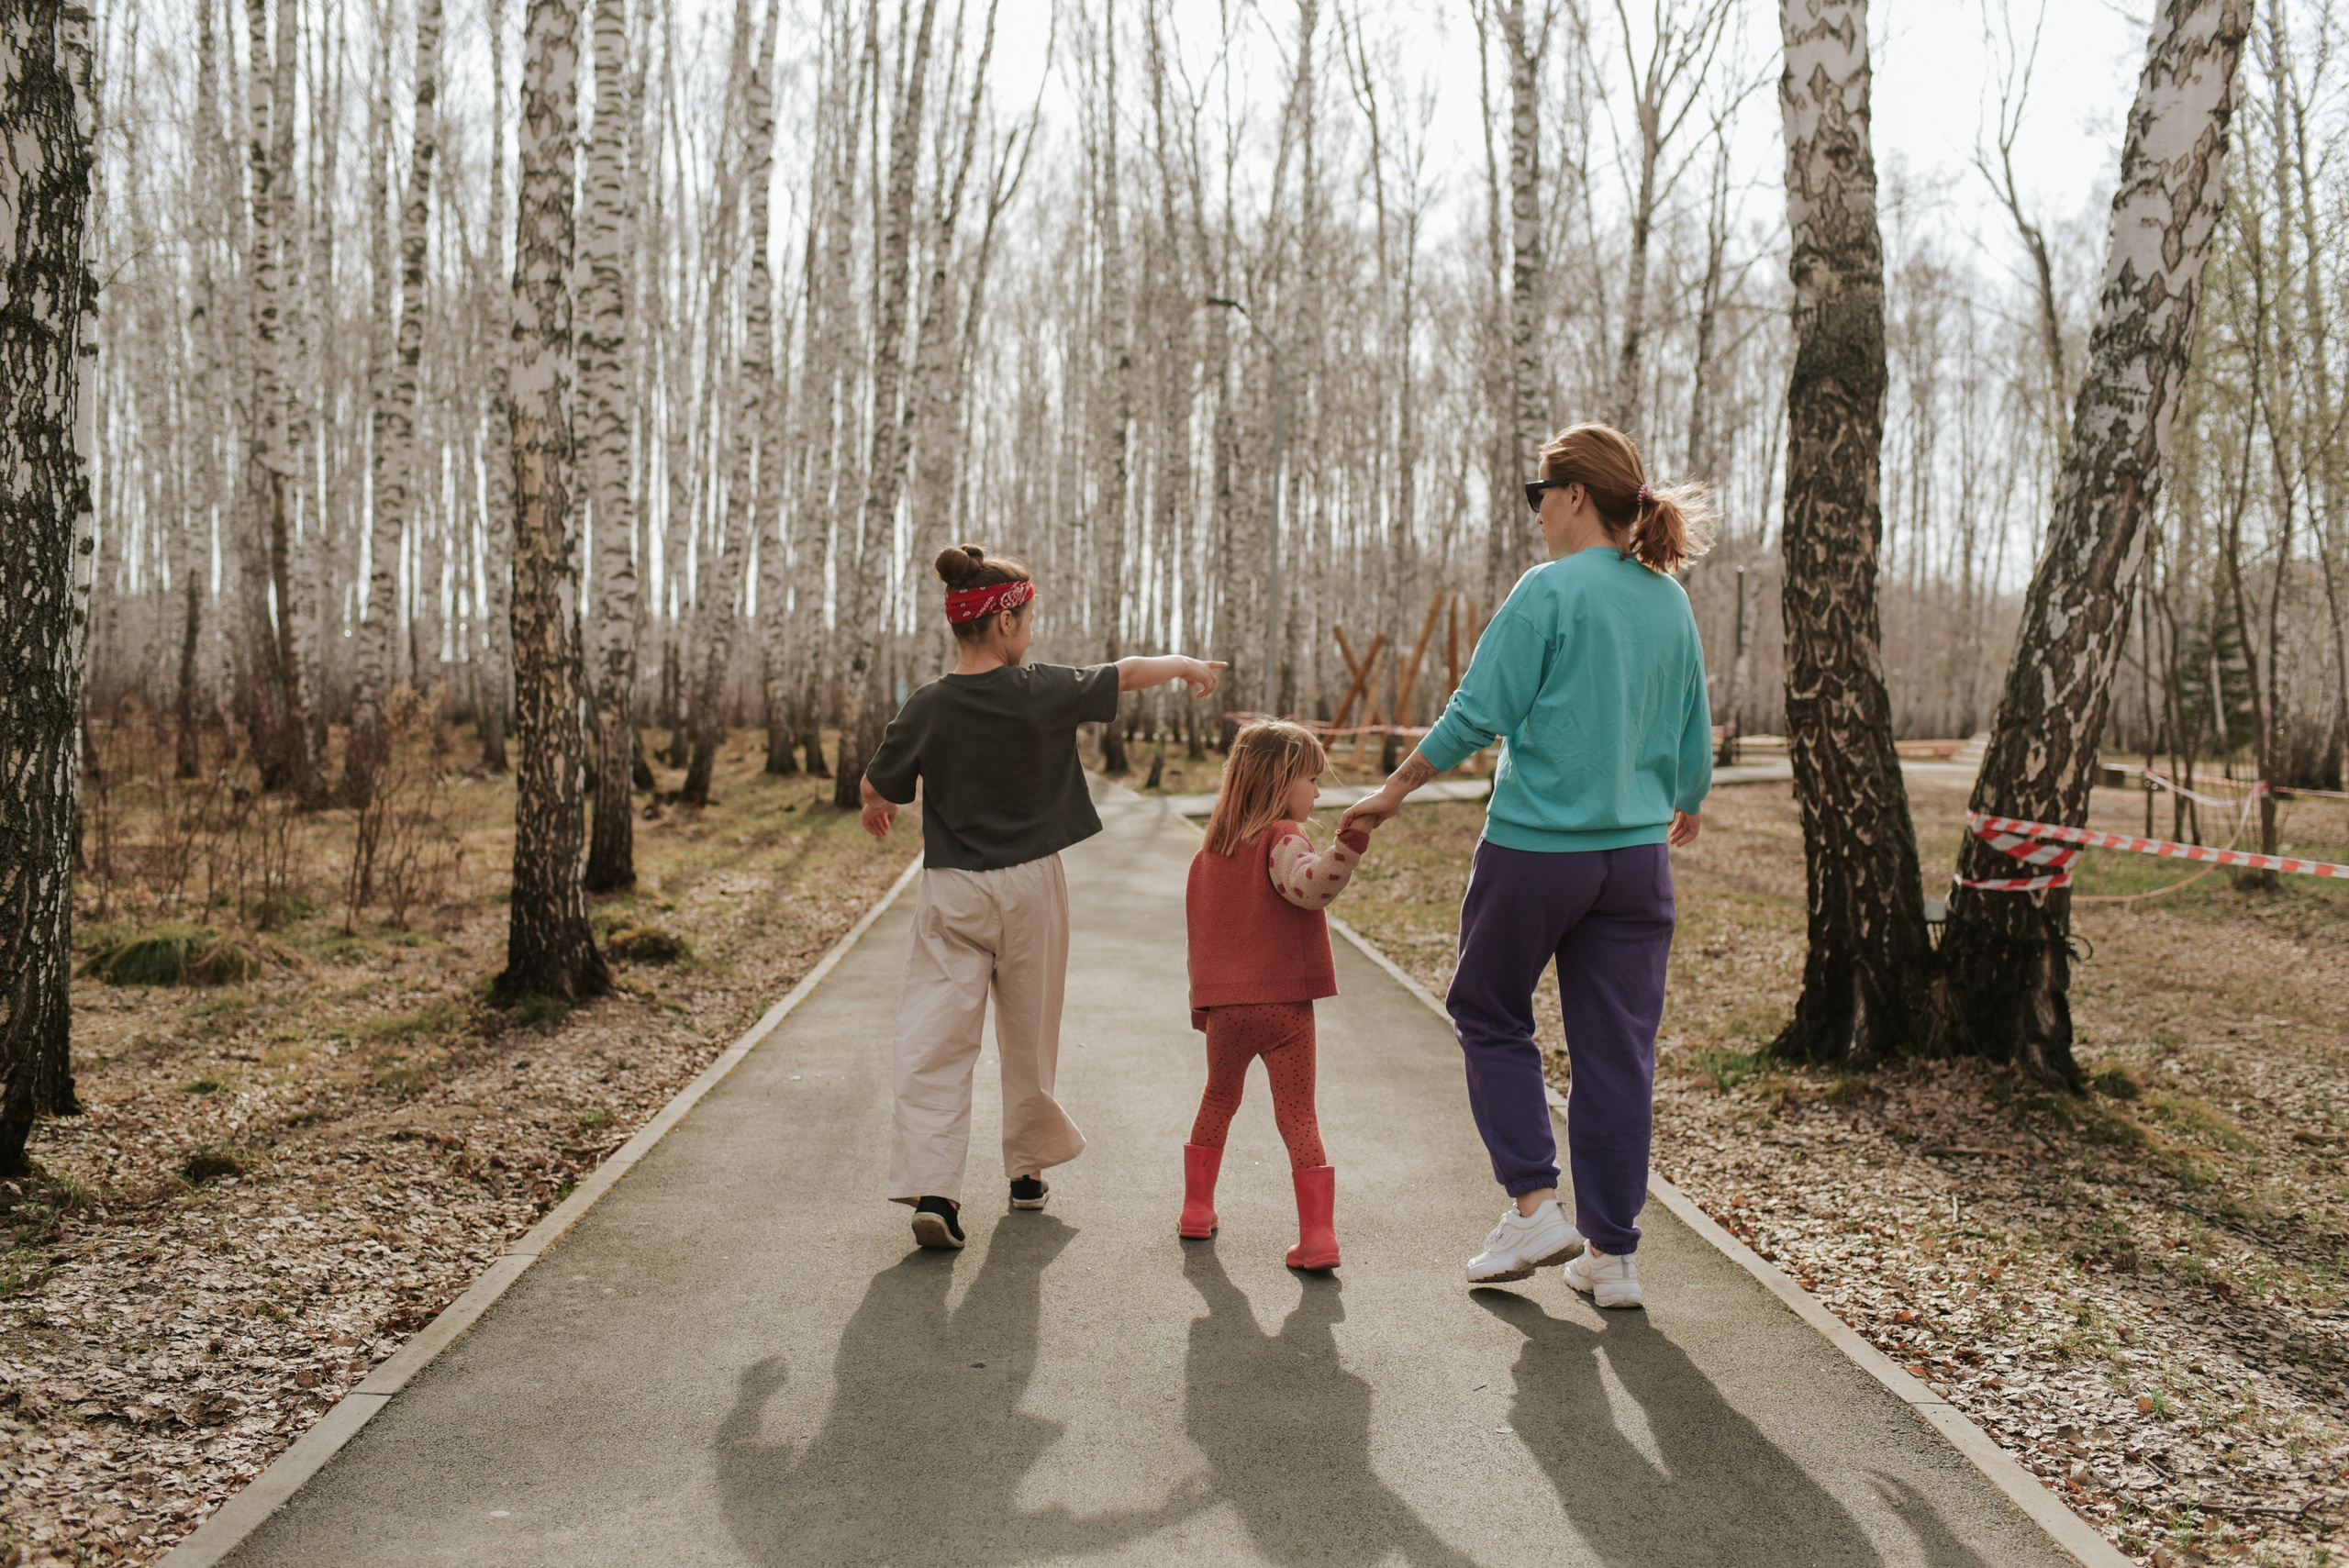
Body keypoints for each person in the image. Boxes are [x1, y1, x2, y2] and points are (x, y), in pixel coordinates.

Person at [1341, 423, 1713, 1309]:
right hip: (1635, 861)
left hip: (1538, 849)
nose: (1535, 508)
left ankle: (1535, 1206)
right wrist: (1687, 794)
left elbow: (1478, 711)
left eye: (1536, 490)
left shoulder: (1549, 589)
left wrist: (1391, 792)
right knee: (1619, 1054)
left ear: (1575, 495)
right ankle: (1613, 1258)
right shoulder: (1669, 600)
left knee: (1485, 1006)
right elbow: (1693, 718)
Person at [862, 543, 1224, 1251]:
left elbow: (881, 783)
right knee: (1029, 1031)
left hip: (952, 889)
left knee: (935, 1037)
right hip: (1031, 886)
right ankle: (1026, 1170)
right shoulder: (1043, 688)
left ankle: (936, 1189)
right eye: (1028, 620)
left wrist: (872, 805)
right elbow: (1124, 676)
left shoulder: (928, 705)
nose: (1031, 634)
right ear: (1003, 624)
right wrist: (1183, 665)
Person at [1180, 721, 1375, 1270]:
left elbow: (1198, 944)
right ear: (1279, 780)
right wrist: (1349, 845)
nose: (1318, 792)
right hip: (1284, 1010)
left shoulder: (1205, 859)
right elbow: (1310, 889)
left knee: (1217, 1101)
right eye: (1311, 779)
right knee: (1297, 1117)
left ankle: (1197, 1211)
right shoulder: (1283, 838)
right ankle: (1318, 1239)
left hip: (1227, 1012)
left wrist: (1203, 1004)